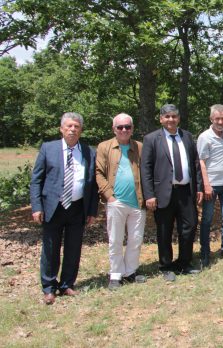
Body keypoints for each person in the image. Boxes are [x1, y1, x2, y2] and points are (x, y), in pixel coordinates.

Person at [30, 112, 98, 304]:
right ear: (61, 129)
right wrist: (36, 207)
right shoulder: (48, 149)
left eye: (76, 127)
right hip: (53, 207)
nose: (72, 129)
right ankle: (49, 288)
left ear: (81, 130)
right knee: (50, 248)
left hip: (77, 208)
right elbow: (36, 180)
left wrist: (92, 211)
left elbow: (92, 184)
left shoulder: (88, 152)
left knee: (73, 248)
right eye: (69, 126)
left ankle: (67, 284)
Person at [141, 104, 203, 282]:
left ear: (179, 118)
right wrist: (149, 194)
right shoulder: (152, 139)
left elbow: (196, 164)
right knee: (164, 230)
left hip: (186, 192)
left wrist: (198, 187)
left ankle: (184, 263)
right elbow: (146, 169)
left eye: (174, 116)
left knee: (189, 227)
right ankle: (166, 266)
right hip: (163, 193)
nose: (171, 120)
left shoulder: (188, 137)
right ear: (161, 119)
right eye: (167, 116)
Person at [95, 113, 146, 290]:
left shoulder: (139, 147)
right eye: (120, 127)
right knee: (115, 239)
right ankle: (116, 274)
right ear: (114, 129)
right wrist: (109, 196)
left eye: (127, 127)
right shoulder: (104, 147)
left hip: (138, 202)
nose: (124, 130)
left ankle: (130, 271)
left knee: (135, 239)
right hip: (116, 202)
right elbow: (98, 173)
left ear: (132, 129)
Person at [197, 104, 223, 267]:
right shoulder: (204, 137)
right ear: (211, 119)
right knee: (206, 219)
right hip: (211, 186)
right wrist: (206, 185)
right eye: (217, 118)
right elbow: (201, 162)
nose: (220, 121)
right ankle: (205, 252)